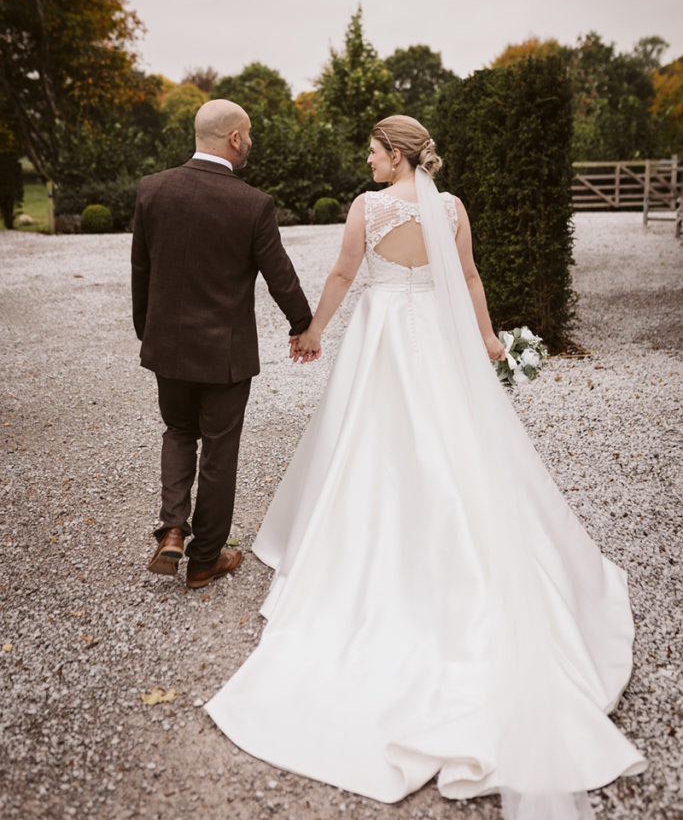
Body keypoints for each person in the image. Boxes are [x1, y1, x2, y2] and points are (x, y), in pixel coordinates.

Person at [206, 116, 646, 818]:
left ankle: (369, 539)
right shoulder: (449, 208)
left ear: (395, 155)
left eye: (373, 152)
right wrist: (484, 338)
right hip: (436, 340)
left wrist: (313, 329)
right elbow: (467, 277)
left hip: (382, 338)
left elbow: (346, 273)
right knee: (454, 442)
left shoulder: (369, 207)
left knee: (366, 439)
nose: (368, 161)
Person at [131, 99, 312, 589]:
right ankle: (205, 559)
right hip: (226, 355)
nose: (250, 143)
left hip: (168, 346)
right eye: (248, 135)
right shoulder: (253, 203)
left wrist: (147, 331)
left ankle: (172, 528)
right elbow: (281, 276)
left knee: (176, 431)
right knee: (218, 449)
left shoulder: (153, 191)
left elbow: (141, 270)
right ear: (235, 138)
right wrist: (304, 325)